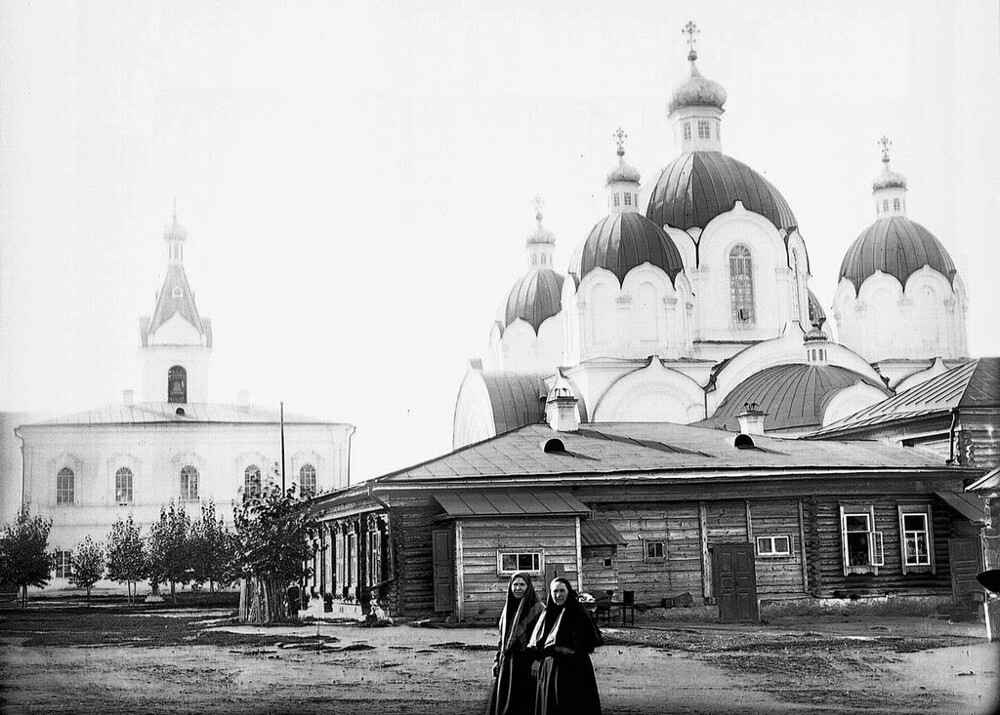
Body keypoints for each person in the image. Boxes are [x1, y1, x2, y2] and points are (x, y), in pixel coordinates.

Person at [528, 577, 603, 715]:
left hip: (574, 669)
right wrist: (543, 655)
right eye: (555, 591)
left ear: (569, 591)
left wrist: (566, 647)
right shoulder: (547, 613)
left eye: (562, 590)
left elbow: (590, 641)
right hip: (550, 669)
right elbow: (539, 642)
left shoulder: (578, 613)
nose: (558, 595)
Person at [486, 572, 545, 715]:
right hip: (508, 661)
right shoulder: (508, 608)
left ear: (528, 587)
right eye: (515, 584)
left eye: (522, 585)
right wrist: (497, 660)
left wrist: (538, 660)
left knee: (525, 703)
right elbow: (503, 638)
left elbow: (543, 640)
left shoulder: (539, 609)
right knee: (505, 703)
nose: (518, 588)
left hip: (527, 663)